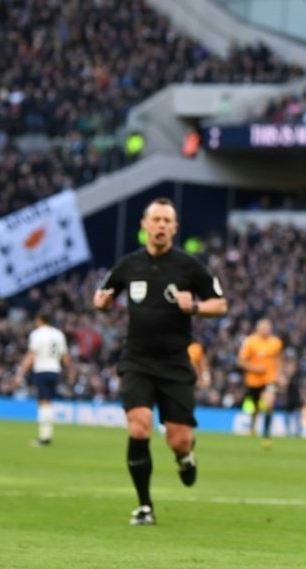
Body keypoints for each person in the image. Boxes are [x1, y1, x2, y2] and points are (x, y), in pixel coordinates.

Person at [93, 197, 227, 526]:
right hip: (136, 360)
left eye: (168, 220)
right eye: (156, 219)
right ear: (145, 224)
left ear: (175, 228)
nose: (162, 225)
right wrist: (102, 302)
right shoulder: (128, 265)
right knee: (139, 426)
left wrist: (194, 307)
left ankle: (185, 456)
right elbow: (103, 296)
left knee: (177, 439)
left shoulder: (189, 267)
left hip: (174, 363)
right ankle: (144, 506)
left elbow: (220, 304)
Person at [9, 312, 71, 446]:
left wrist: (19, 374)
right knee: (48, 401)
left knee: (43, 403)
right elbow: (65, 355)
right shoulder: (58, 334)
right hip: (55, 370)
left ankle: (45, 437)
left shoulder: (37, 334)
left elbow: (31, 355)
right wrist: (70, 370)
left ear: (41, 320)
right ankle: (46, 435)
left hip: (42, 369)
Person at [237, 318, 284, 448]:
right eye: (263, 327)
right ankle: (252, 427)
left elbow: (279, 359)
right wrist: (255, 369)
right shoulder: (250, 342)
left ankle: (267, 435)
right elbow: (241, 361)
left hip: (269, 379)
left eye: (268, 327)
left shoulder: (276, 342)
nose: (266, 330)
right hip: (253, 380)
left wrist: (280, 374)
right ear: (257, 328)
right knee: (255, 406)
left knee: (269, 404)